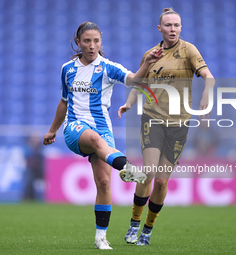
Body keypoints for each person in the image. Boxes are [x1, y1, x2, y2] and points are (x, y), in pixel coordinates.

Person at [43, 21, 163, 250]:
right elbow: (63, 101)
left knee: (104, 182)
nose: (91, 45)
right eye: (86, 41)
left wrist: (146, 63)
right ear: (78, 42)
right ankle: (129, 168)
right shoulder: (67, 69)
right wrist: (53, 130)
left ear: (101, 42)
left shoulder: (108, 67)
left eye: (96, 41)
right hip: (75, 128)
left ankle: (100, 238)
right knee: (96, 142)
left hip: (103, 129)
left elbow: (135, 80)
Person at [118, 8, 215, 245]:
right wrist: (129, 103)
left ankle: (147, 229)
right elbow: (140, 83)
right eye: (169, 25)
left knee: (161, 181)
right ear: (159, 28)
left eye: (177, 25)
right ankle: (134, 223)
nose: (173, 29)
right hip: (153, 118)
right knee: (149, 172)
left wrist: (206, 97)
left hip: (180, 123)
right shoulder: (150, 55)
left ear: (181, 28)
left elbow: (208, 77)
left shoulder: (189, 50)